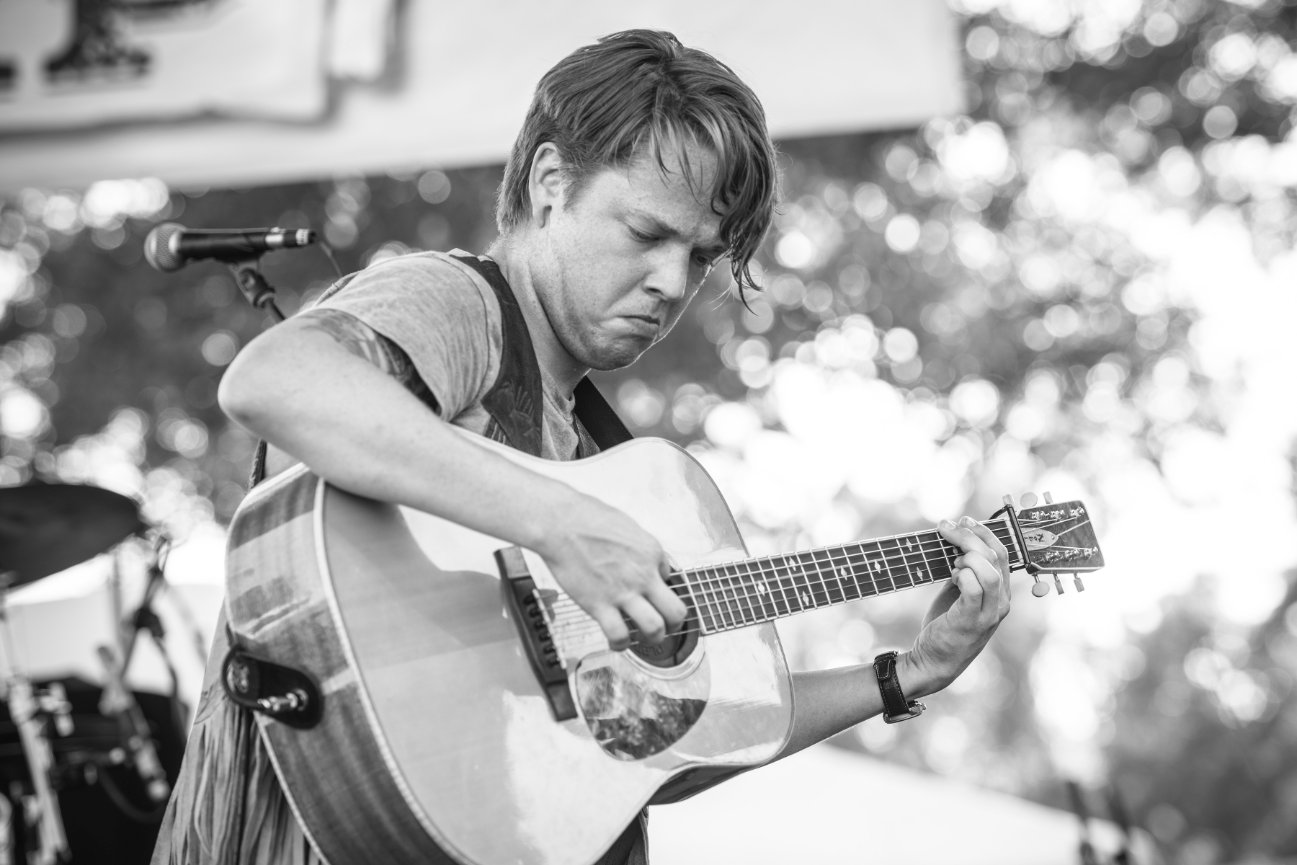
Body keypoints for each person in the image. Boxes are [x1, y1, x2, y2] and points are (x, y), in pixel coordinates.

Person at [152, 28, 1011, 865]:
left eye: (700, 257)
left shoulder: (598, 448)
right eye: (646, 234)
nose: (671, 282)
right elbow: (274, 379)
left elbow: (657, 753)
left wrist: (907, 672)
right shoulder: (460, 302)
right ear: (550, 184)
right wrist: (561, 524)